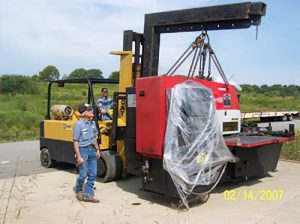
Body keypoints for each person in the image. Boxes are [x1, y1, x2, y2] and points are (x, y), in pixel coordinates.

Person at [73, 103, 101, 203]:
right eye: (90, 110)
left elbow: (94, 138)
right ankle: (79, 189)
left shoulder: (92, 124)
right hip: (83, 151)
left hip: (92, 151)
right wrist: (78, 156)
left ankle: (88, 195)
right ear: (84, 113)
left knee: (93, 174)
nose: (92, 112)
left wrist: (97, 150)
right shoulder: (78, 124)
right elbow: (75, 141)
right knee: (83, 174)